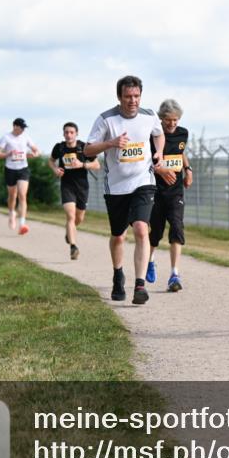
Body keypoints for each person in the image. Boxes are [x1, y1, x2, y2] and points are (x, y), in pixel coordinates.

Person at [85, 75, 164, 304]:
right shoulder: (106, 119)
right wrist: (110, 143)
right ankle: (118, 274)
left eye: (137, 96)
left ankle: (139, 285)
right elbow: (88, 150)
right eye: (128, 96)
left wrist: (158, 152)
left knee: (141, 228)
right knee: (118, 235)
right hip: (116, 187)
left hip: (143, 181)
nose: (133, 101)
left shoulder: (149, 115)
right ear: (119, 97)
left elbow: (158, 134)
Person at [146, 99, 193, 292]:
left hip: (175, 191)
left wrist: (188, 169)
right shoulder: (153, 136)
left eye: (175, 120)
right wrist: (160, 171)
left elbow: (180, 153)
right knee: (155, 232)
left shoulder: (183, 133)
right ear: (161, 119)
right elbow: (145, 161)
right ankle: (149, 260)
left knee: (176, 227)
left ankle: (174, 274)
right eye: (168, 120)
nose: (172, 124)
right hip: (156, 191)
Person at [50, 122, 100, 260]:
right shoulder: (59, 147)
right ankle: (73, 246)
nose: (69, 135)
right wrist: (55, 169)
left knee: (79, 218)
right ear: (63, 134)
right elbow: (51, 160)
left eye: (71, 132)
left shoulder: (83, 147)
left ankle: (69, 232)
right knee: (70, 217)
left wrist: (82, 164)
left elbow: (97, 165)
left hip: (82, 187)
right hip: (67, 185)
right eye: (66, 132)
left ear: (76, 134)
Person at [0, 118, 40, 235]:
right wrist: (8, 154)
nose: (23, 130)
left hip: (23, 169)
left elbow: (36, 150)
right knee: (12, 195)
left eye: (24, 128)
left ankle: (22, 224)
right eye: (21, 127)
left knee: (22, 195)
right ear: (15, 126)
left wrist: (34, 155)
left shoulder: (26, 137)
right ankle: (11, 213)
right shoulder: (6, 137)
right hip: (10, 169)